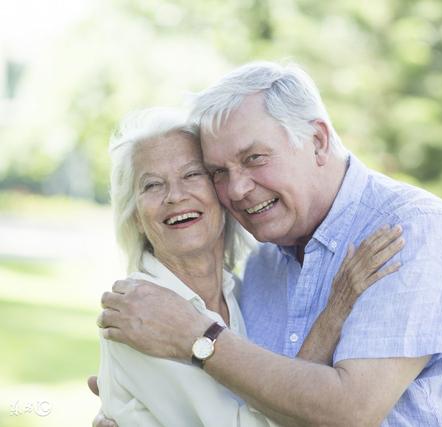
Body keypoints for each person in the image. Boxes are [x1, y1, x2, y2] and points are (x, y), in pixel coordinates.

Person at [97, 61, 442, 426]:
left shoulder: (411, 230)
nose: (236, 188)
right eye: (219, 171)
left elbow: (351, 410)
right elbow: (263, 403)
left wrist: (199, 337)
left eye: (254, 158)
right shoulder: (260, 266)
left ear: (317, 140)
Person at [97, 107, 404, 426]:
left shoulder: (244, 290)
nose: (175, 195)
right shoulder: (138, 315)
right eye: (152, 185)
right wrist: (336, 311)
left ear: (222, 192)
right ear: (135, 216)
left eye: (192, 175)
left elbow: (270, 386)